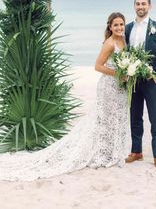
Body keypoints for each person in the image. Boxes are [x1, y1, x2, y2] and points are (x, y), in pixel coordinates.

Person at [0, 12, 129, 181]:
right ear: (110, 27)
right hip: (108, 87)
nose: (119, 27)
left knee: (117, 118)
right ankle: (103, 154)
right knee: (105, 120)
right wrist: (118, 73)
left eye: (121, 24)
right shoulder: (110, 43)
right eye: (116, 25)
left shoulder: (123, 40)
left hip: (121, 88)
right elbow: (98, 66)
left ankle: (114, 153)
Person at [125, 0, 156, 170]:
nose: (140, 6)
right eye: (137, 4)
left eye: (143, 4)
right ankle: (136, 151)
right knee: (135, 117)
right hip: (133, 80)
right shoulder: (127, 28)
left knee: (155, 118)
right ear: (134, 6)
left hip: (151, 80)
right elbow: (124, 53)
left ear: (149, 6)